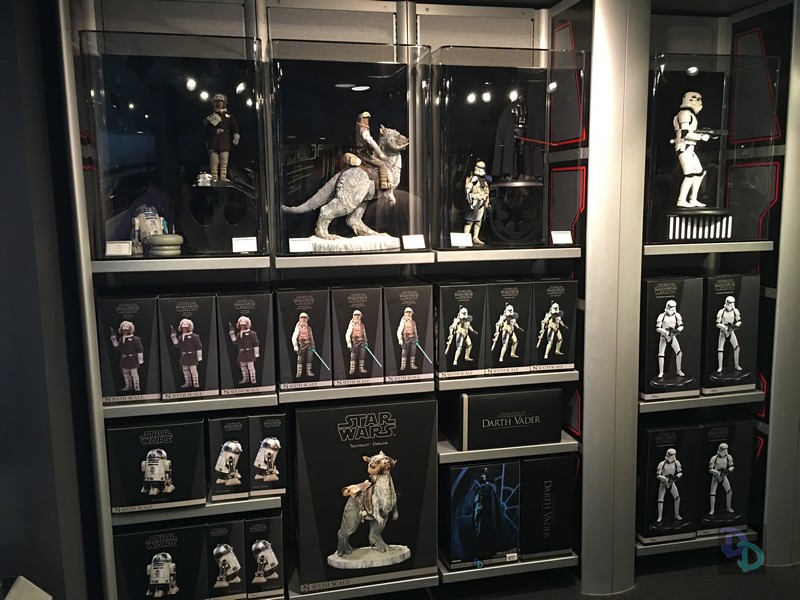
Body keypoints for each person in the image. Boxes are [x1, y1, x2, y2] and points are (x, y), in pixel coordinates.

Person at [672, 91, 710, 208]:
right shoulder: (685, 114)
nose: (699, 103)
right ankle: (681, 200)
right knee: (690, 174)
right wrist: (701, 137)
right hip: (684, 147)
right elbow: (685, 133)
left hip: (689, 148)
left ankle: (693, 199)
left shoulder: (687, 114)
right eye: (697, 99)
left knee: (699, 172)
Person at [204, 93, 240, 182]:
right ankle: (214, 176)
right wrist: (210, 118)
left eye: (221, 101)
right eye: (217, 102)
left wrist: (236, 137)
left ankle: (223, 177)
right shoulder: (211, 115)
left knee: (224, 162)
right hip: (214, 141)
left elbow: (235, 127)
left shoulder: (229, 116)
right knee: (214, 162)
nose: (219, 103)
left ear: (224, 103)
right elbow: (204, 124)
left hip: (225, 141)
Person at [353, 111, 390, 194]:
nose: (367, 120)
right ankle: (383, 185)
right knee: (382, 165)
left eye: (367, 118)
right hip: (364, 153)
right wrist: (380, 153)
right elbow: (370, 141)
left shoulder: (362, 129)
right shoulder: (363, 131)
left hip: (365, 151)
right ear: (361, 119)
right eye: (365, 118)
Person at [110, 320, 144, 392]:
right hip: (124, 359)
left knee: (134, 374)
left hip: (133, 359)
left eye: (126, 330)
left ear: (130, 330)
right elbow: (118, 347)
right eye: (124, 330)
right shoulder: (121, 339)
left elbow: (140, 349)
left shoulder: (135, 339)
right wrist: (114, 340)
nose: (125, 331)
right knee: (126, 374)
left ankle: (136, 386)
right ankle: (128, 386)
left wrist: (140, 358)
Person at [655, 300, 685, 379]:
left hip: (672, 336)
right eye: (671, 307)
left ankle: (678, 370)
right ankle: (661, 372)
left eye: (674, 307)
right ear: (668, 307)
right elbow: (657, 328)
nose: (673, 309)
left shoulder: (677, 315)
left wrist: (677, 331)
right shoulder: (662, 316)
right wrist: (665, 332)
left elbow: (681, 325)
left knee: (679, 353)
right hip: (664, 336)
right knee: (661, 354)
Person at [170, 318, 202, 389]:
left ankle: (196, 383)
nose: (184, 328)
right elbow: (178, 345)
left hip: (192, 356)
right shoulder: (181, 337)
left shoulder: (194, 336)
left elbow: (198, 346)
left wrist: (199, 355)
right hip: (184, 356)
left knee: (193, 370)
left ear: (189, 327)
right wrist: (174, 338)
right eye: (183, 326)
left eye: (186, 326)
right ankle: (188, 382)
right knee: (185, 370)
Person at [464, 160, 490, 245]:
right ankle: (466, 237)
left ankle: (475, 237)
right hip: (474, 201)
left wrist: (487, 201)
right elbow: (468, 189)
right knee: (470, 221)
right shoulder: (474, 179)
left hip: (482, 202)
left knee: (478, 221)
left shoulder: (484, 180)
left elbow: (486, 191)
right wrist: (470, 199)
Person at [229, 316, 260, 385]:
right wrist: (232, 334)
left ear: (247, 325)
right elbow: (236, 342)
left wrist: (256, 352)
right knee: (243, 367)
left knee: (251, 367)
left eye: (244, 325)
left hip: (249, 353)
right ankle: (245, 379)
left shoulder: (252, 333)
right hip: (242, 353)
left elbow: (256, 343)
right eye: (241, 325)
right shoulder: (239, 334)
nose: (242, 326)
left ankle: (253, 379)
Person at [715, 296, 742, 373]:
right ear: (726, 302)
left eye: (732, 303)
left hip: (731, 331)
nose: (731, 305)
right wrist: (724, 327)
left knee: (737, 348)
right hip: (723, 331)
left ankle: (736, 365)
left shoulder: (735, 311)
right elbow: (717, 323)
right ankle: (720, 367)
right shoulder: (721, 311)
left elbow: (739, 321)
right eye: (730, 303)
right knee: (720, 349)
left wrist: (735, 326)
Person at [656, 448, 683, 523]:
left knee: (677, 498)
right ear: (668, 455)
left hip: (671, 482)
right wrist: (665, 479)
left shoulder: (676, 463)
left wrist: (676, 477)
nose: (673, 457)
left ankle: (676, 514)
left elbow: (680, 472)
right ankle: (660, 517)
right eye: (671, 455)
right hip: (664, 482)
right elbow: (658, 475)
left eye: (674, 455)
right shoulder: (662, 464)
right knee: (660, 500)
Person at [708, 443, 735, 515]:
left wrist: (727, 471)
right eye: (723, 449)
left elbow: (732, 466)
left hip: (724, 475)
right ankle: (712, 509)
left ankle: (728, 507)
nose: (725, 451)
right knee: (712, 493)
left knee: (729, 491)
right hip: (716, 476)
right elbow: (710, 469)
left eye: (726, 449)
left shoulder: (728, 457)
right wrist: (717, 473)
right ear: (720, 449)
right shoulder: (714, 458)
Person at [291, 312, 315, 378]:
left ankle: (309, 371)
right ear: (300, 319)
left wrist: (313, 344)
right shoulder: (298, 328)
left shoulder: (309, 328)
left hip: (309, 345)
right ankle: (299, 372)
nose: (303, 319)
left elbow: (311, 337)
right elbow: (294, 337)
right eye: (302, 318)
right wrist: (295, 346)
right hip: (302, 345)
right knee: (300, 359)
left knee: (309, 358)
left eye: (305, 318)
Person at [345, 309, 368, 376]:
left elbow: (364, 334)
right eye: (355, 315)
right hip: (355, 342)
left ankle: (361, 368)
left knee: (362, 355)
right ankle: (352, 369)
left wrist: (366, 341)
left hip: (362, 342)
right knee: (353, 355)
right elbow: (347, 334)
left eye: (358, 315)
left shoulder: (362, 325)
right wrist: (349, 343)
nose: (357, 317)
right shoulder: (351, 325)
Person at [396, 307, 419, 371]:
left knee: (413, 352)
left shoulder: (413, 322)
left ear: (411, 313)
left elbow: (415, 331)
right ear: (404, 313)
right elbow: (399, 331)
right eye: (407, 312)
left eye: (409, 312)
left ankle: (412, 365)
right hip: (406, 339)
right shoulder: (403, 322)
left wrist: (416, 338)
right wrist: (400, 339)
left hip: (413, 339)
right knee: (404, 352)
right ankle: (403, 366)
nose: (408, 314)